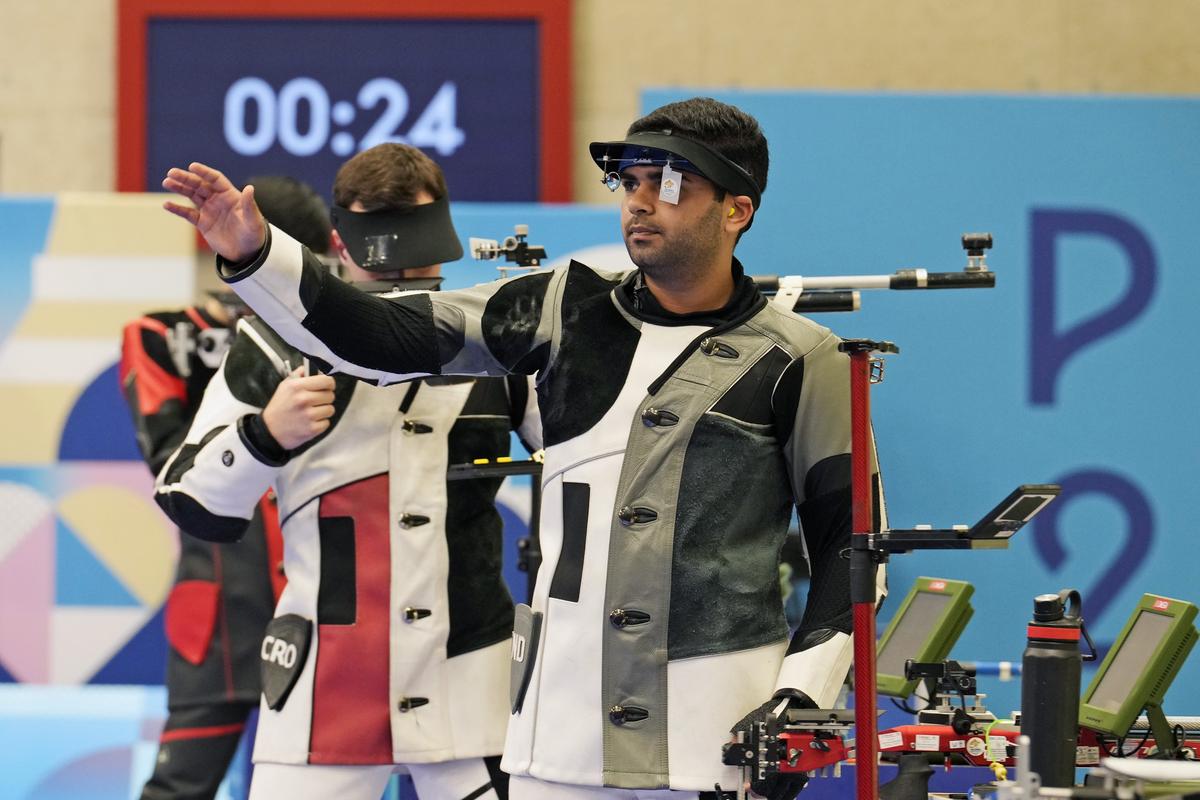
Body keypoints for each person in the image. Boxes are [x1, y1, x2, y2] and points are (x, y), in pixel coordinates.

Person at [162, 97, 885, 800]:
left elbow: (855, 548)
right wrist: (256, 255)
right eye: (629, 181)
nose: (639, 201)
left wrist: (803, 696)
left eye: (669, 184)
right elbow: (379, 336)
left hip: (713, 726)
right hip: (550, 730)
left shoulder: (805, 358)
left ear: (737, 209)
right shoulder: (556, 307)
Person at [154, 143, 539, 800]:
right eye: (381, 245)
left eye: (417, 243)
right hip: (320, 687)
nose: (403, 268)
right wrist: (264, 435)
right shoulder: (274, 340)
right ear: (339, 240)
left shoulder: (497, 335)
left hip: (470, 677)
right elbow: (187, 498)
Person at [121, 175, 332, 800]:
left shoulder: (348, 333)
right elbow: (170, 467)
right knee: (180, 787)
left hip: (319, 609)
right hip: (217, 617)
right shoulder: (162, 335)